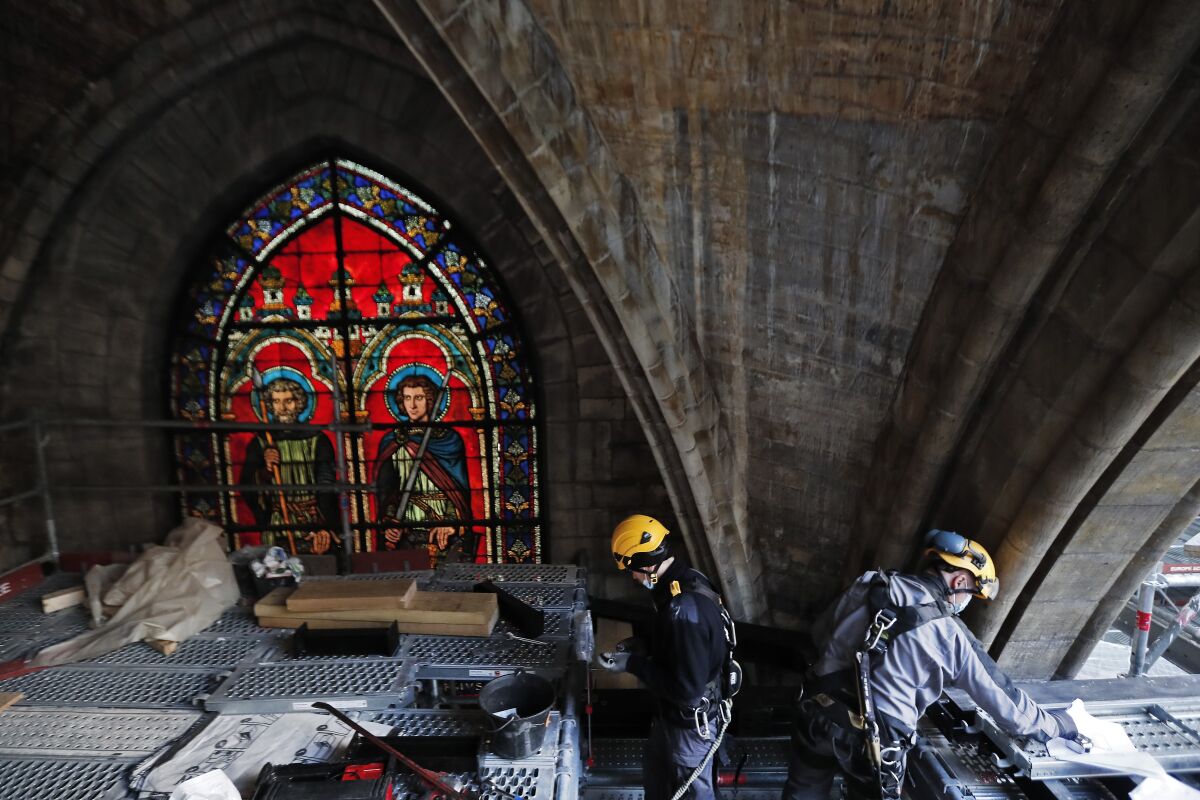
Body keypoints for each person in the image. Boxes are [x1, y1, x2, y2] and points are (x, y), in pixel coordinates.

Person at [783, 529, 1083, 799]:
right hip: (872, 742)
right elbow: (1005, 702)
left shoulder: (869, 583)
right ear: (959, 580)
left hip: (816, 713)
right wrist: (1055, 726)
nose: (967, 601)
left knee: (802, 794)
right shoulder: (949, 633)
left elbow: (820, 635)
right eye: (971, 593)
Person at [595, 514, 736, 800]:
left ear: (648, 565)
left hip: (689, 725)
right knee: (657, 774)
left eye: (632, 569)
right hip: (671, 717)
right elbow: (681, 647)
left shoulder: (682, 611)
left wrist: (632, 665)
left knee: (692, 792)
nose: (633, 577)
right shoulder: (688, 582)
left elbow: (686, 691)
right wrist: (642, 644)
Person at [374, 374, 471, 555]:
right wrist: (390, 524)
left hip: (443, 533)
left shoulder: (449, 440)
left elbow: (458, 490)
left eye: (418, 398)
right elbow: (389, 492)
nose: (412, 405)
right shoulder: (393, 441)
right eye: (407, 398)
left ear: (430, 399)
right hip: (407, 533)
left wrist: (451, 522)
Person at [240, 378, 337, 554]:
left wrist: (326, 525)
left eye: (288, 401)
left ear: (299, 402)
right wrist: (265, 471)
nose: (282, 408)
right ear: (270, 405)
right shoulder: (261, 442)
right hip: (278, 523)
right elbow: (247, 486)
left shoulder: (317, 439)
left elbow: (327, 486)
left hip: (313, 520)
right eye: (276, 401)